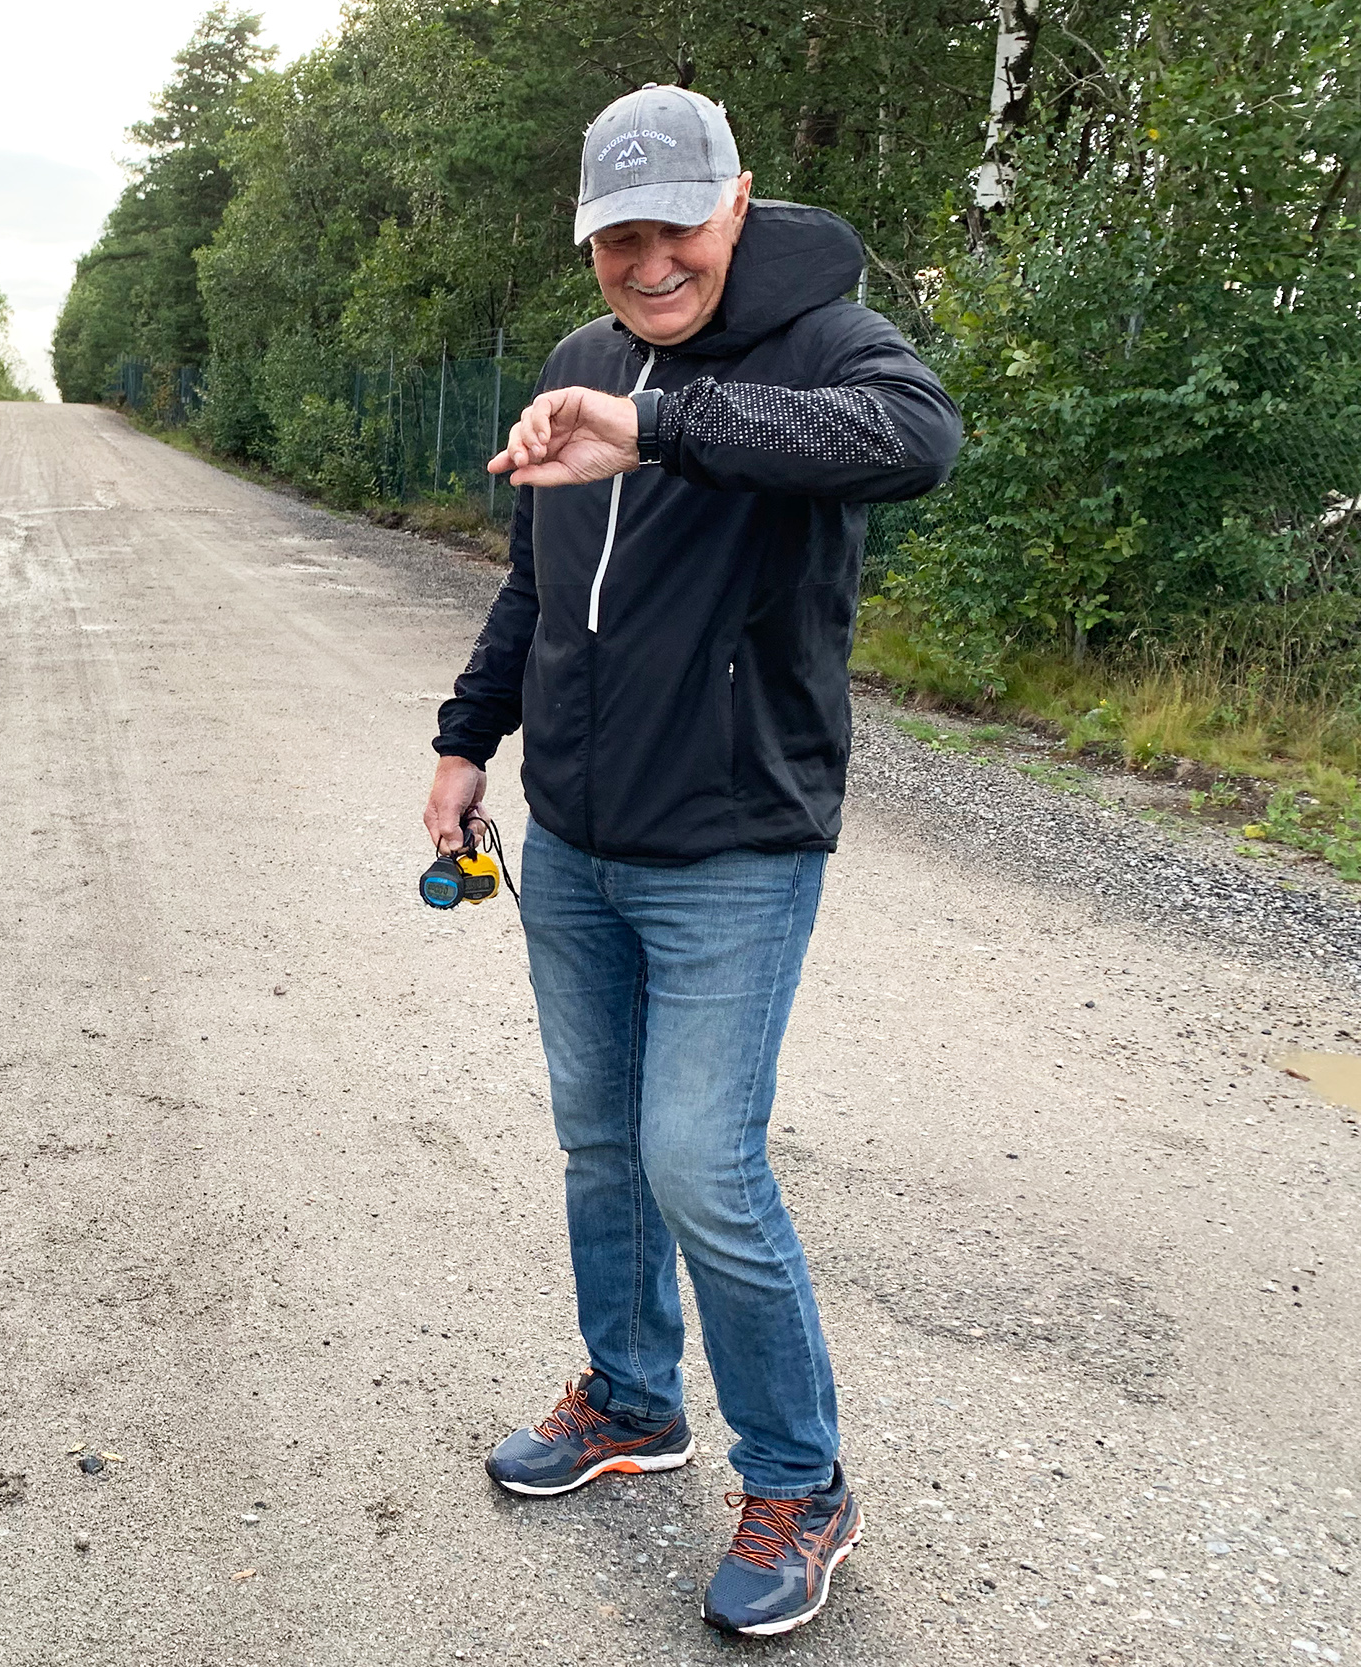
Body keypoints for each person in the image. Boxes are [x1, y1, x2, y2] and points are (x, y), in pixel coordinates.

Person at [423, 84, 962, 1637]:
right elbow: (531, 582)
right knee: (600, 1139)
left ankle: (802, 1478)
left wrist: (655, 427)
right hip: (577, 840)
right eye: (615, 235)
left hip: (734, 844)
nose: (646, 259)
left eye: (674, 224)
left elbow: (914, 441)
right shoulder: (580, 362)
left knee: (699, 1163)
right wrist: (469, 741)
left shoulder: (828, 341)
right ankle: (633, 1398)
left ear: (737, 204)